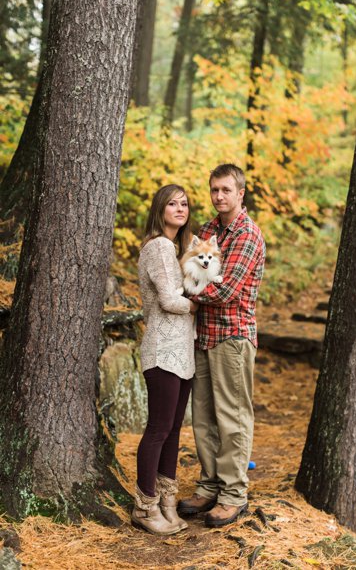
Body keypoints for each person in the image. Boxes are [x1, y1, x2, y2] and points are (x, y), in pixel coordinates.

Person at [177, 164, 266, 528]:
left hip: (232, 335)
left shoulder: (247, 235)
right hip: (204, 335)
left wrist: (187, 296)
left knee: (232, 417)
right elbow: (191, 267)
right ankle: (210, 485)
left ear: (240, 193)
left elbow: (226, 290)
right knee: (203, 416)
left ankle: (233, 495)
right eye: (214, 190)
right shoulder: (209, 230)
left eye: (226, 190)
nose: (219, 196)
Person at [134, 184, 198, 535]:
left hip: (182, 350)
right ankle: (145, 506)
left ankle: (166, 501)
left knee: (173, 430)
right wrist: (200, 303)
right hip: (162, 350)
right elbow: (169, 301)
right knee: (158, 429)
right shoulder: (159, 246)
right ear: (159, 209)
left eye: (184, 203)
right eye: (172, 203)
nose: (179, 208)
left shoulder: (178, 249)